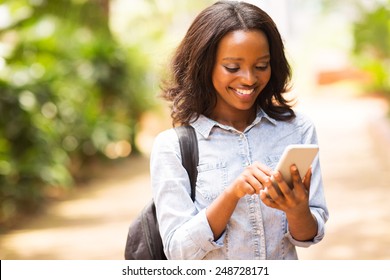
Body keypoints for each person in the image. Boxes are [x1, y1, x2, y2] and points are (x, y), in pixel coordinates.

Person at [150, 0, 329, 260]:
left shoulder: (297, 130)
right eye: (232, 67)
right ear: (204, 64)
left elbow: (309, 236)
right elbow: (178, 251)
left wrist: (298, 209)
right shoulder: (172, 147)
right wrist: (232, 194)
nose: (248, 79)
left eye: (261, 66)